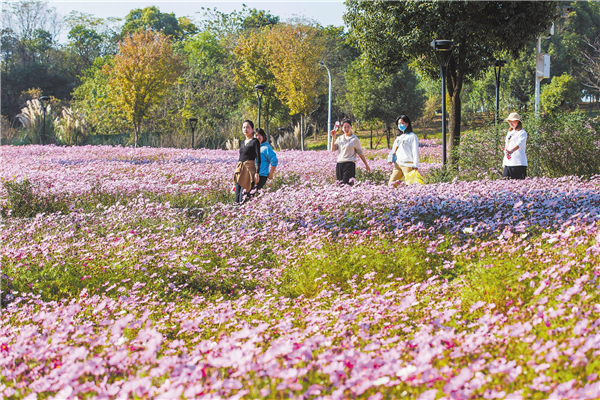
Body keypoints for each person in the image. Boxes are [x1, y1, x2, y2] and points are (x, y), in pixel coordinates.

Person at [330, 118, 371, 185]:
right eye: (344, 127)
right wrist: (333, 137)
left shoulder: (354, 139)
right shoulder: (340, 138)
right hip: (339, 164)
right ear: (342, 128)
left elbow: (360, 153)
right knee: (340, 185)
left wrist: (366, 164)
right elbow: (333, 149)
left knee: (346, 185)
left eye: (348, 126)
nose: (347, 128)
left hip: (349, 164)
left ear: (351, 127)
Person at [233, 120, 261, 203]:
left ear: (252, 129)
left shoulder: (255, 141)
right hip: (240, 169)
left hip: (249, 170)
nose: (245, 129)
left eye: (248, 127)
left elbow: (258, 158)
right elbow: (240, 157)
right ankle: (236, 211)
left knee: (245, 194)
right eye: (244, 127)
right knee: (237, 195)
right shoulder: (242, 142)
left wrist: (257, 173)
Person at [388, 115, 419, 186]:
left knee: (410, 185)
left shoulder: (412, 136)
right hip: (398, 164)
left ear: (407, 124)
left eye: (402, 123)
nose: (400, 125)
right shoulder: (399, 137)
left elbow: (415, 151)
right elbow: (393, 150)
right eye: (399, 124)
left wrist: (415, 165)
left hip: (408, 165)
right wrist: (390, 159)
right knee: (391, 184)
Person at [502, 112, 528, 180]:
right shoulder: (510, 132)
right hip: (508, 163)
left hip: (518, 163)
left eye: (513, 121)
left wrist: (511, 151)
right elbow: (507, 144)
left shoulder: (522, 132)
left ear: (517, 122)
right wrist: (506, 150)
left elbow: (520, 144)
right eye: (509, 122)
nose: (511, 123)